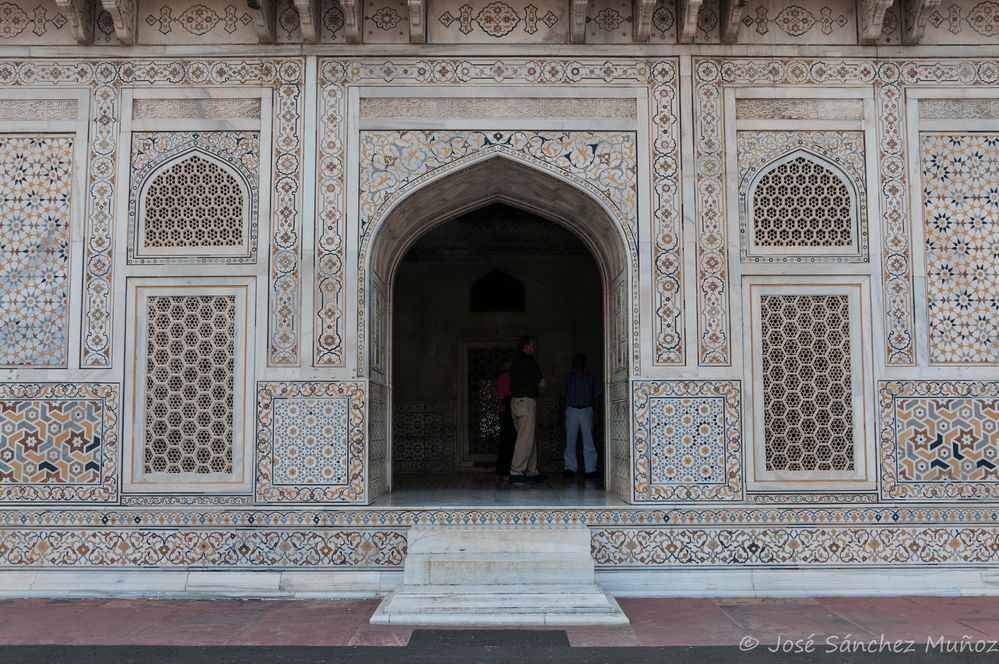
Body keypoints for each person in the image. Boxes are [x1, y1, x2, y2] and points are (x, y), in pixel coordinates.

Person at [509, 335, 547, 485]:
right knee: (525, 439)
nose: (535, 348)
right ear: (526, 346)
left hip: (516, 402)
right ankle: (516, 472)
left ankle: (531, 471)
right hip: (526, 402)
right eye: (533, 345)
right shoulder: (528, 360)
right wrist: (542, 381)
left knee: (526, 437)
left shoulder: (516, 360)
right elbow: (541, 382)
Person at [559, 352, 603, 481]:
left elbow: (597, 396)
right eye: (576, 360)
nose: (578, 362)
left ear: (585, 362)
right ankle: (569, 468)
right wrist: (561, 413)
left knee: (588, 441)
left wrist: (597, 414)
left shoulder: (591, 377)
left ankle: (590, 469)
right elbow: (562, 396)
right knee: (570, 441)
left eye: (581, 360)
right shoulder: (568, 377)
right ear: (573, 362)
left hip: (587, 409)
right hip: (571, 410)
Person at [494, 363, 514, 481]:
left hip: (502, 411)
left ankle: (499, 472)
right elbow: (510, 396)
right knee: (510, 442)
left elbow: (500, 394)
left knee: (504, 442)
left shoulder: (500, 378)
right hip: (510, 411)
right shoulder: (512, 377)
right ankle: (506, 472)